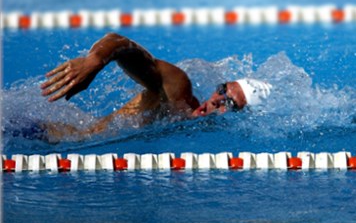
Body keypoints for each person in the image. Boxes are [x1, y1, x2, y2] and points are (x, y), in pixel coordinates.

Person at [40, 32, 271, 140]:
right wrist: (95, 61)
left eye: (229, 103)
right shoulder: (178, 91)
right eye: (222, 90)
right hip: (48, 136)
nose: (216, 99)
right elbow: (119, 42)